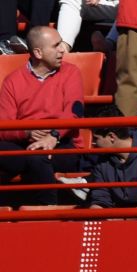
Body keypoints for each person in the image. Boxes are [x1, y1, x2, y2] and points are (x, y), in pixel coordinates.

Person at [0, 27, 83, 205]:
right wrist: (27, 133)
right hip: (23, 143)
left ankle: (47, 211)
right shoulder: (12, 81)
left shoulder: (71, 72)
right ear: (38, 52)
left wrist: (53, 136)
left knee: (36, 157)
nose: (62, 49)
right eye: (56, 45)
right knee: (31, 156)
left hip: (62, 141)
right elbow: (4, 125)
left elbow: (74, 112)